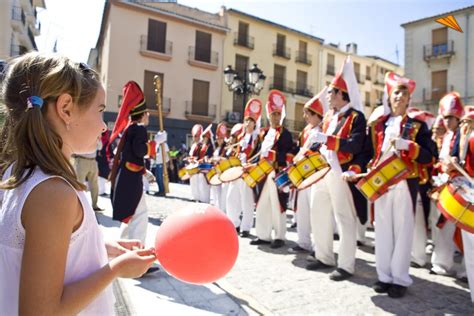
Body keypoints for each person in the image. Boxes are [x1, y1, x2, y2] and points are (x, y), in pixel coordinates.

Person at [0, 53, 155, 315]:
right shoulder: (53, 193)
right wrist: (115, 270)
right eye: (100, 110)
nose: (105, 127)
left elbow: (36, 249)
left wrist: (101, 248)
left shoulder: (19, 171)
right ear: (66, 109)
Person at [367, 72, 433, 298]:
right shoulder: (378, 125)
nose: (400, 96)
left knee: (403, 231)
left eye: (404, 93)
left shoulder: (418, 126)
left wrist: (409, 146)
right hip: (382, 182)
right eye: (396, 92)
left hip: (405, 182)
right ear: (389, 96)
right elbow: (371, 153)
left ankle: (400, 279)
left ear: (408, 99)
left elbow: (429, 156)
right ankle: (384, 276)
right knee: (383, 231)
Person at [305, 57, 370, 282]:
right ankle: (324, 256)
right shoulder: (330, 116)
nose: (328, 96)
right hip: (323, 170)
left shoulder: (356, 117)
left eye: (332, 92)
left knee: (344, 218)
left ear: (343, 93)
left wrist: (328, 139)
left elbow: (356, 145)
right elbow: (323, 141)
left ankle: (346, 265)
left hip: (339, 172)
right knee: (318, 211)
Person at [109, 81, 166, 247]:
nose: (149, 116)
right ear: (143, 114)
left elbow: (131, 157)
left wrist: (144, 171)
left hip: (127, 177)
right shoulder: (139, 129)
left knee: (131, 217)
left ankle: (123, 250)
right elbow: (140, 151)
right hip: (130, 180)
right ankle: (136, 254)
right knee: (140, 216)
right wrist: (155, 142)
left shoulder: (130, 128)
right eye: (147, 113)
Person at [250, 90, 294, 249]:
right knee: (261, 204)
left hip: (277, 174)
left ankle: (280, 236)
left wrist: (275, 155)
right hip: (262, 173)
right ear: (268, 115)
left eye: (278, 114)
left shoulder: (286, 134)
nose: (275, 117)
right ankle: (263, 235)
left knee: (278, 205)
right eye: (273, 114)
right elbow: (257, 153)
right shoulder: (263, 133)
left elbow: (289, 154)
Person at [288, 88, 328, 253]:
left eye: (307, 113)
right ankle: (303, 241)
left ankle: (317, 245)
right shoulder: (305, 131)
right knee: (302, 209)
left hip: (316, 174)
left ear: (316, 115)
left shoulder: (323, 131)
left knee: (315, 210)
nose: (304, 116)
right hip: (303, 174)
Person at [430, 92, 465, 276]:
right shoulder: (445, 137)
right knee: (443, 225)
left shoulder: (466, 134)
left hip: (464, 188)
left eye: (451, 117)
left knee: (467, 231)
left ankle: (468, 270)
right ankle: (441, 264)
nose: (448, 121)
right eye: (445, 117)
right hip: (446, 187)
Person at [227, 99, 261, 237]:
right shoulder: (241, 137)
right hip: (237, 171)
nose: (247, 123)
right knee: (231, 197)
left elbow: (258, 154)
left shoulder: (258, 138)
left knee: (247, 200)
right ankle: (234, 223)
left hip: (248, 172)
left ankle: (246, 228)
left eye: (250, 121)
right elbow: (236, 153)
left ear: (255, 123)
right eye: (246, 121)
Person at [449, 106, 474, 300]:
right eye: (464, 121)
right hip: (468, 191)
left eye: (469, 121)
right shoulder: (461, 135)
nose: (466, 124)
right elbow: (456, 156)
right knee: (469, 243)